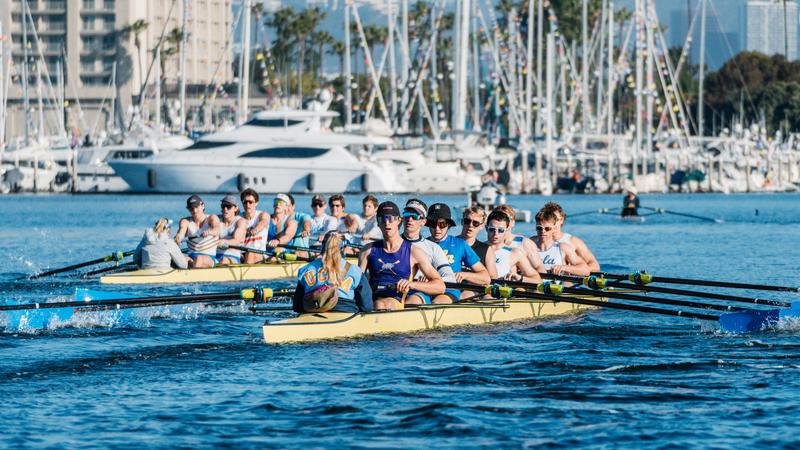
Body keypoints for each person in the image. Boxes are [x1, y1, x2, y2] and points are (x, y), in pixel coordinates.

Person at [358, 201, 445, 310]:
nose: (387, 223)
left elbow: (440, 287)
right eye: (383, 219)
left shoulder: (414, 252)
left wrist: (412, 284)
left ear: (399, 221)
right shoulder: (367, 250)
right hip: (372, 300)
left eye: (390, 219)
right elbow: (357, 282)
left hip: (397, 300)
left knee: (381, 304)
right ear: (378, 223)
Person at [293, 231, 373, 313]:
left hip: (313, 311)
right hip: (346, 312)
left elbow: (297, 306)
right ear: (343, 248)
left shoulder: (305, 269)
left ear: (322, 246)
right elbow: (366, 306)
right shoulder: (355, 271)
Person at [426, 203, 491, 300]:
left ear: (448, 225)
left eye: (442, 224)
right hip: (425, 289)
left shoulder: (460, 244)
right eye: (433, 224)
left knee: (438, 301)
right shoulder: (421, 244)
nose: (437, 229)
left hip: (448, 290)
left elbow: (486, 278)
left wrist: (464, 275)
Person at [401, 198, 457, 305]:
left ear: (423, 221)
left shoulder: (433, 248)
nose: (410, 219)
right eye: (407, 214)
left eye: (415, 216)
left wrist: (431, 281)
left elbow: (450, 277)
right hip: (393, 290)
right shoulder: (392, 244)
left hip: (418, 293)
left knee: (413, 301)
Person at [541, 201, 600, 272]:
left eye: (555, 219)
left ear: (562, 220)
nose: (552, 223)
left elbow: (595, 266)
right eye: (549, 220)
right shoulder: (535, 242)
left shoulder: (573, 241)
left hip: (566, 281)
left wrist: (572, 270)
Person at [485, 210, 541, 282]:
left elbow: (538, 280)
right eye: (492, 229)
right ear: (486, 228)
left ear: (507, 230)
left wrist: (520, 278)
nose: (496, 234)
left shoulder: (515, 253)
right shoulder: (476, 249)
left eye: (501, 230)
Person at [532, 208, 590, 276]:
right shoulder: (529, 246)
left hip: (556, 285)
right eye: (539, 228)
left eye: (547, 228)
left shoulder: (563, 248)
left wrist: (564, 268)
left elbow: (586, 270)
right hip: (534, 284)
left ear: (553, 229)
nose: (543, 231)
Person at [494, 204, 547, 273]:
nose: (503, 222)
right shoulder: (487, 245)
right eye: (499, 218)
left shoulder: (524, 243)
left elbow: (539, 267)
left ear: (513, 222)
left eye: (507, 218)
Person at [174, 194, 220, 268]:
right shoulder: (185, 221)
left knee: (198, 259)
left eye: (196, 207)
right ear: (188, 209)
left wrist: (209, 232)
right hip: (191, 256)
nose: (194, 211)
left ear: (202, 206)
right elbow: (181, 232)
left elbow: (217, 230)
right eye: (191, 208)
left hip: (209, 257)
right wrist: (178, 237)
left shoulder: (212, 218)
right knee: (176, 260)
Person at [457, 206, 497, 276]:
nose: (470, 225)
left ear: (482, 226)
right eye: (467, 221)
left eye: (475, 223)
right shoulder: (449, 243)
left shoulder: (486, 250)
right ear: (462, 222)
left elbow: (493, 277)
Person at [239, 188, 271, 264]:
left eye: (250, 202)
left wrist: (255, 230)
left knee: (250, 253)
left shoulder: (262, 215)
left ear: (256, 203)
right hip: (241, 253)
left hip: (258, 252)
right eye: (245, 202)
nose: (247, 205)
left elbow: (263, 222)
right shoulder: (238, 217)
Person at [216, 194, 248, 265]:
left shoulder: (240, 221)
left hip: (232, 256)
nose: (225, 209)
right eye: (223, 206)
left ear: (235, 208)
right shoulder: (217, 219)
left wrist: (223, 241)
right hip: (216, 255)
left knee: (224, 260)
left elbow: (236, 240)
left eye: (228, 206)